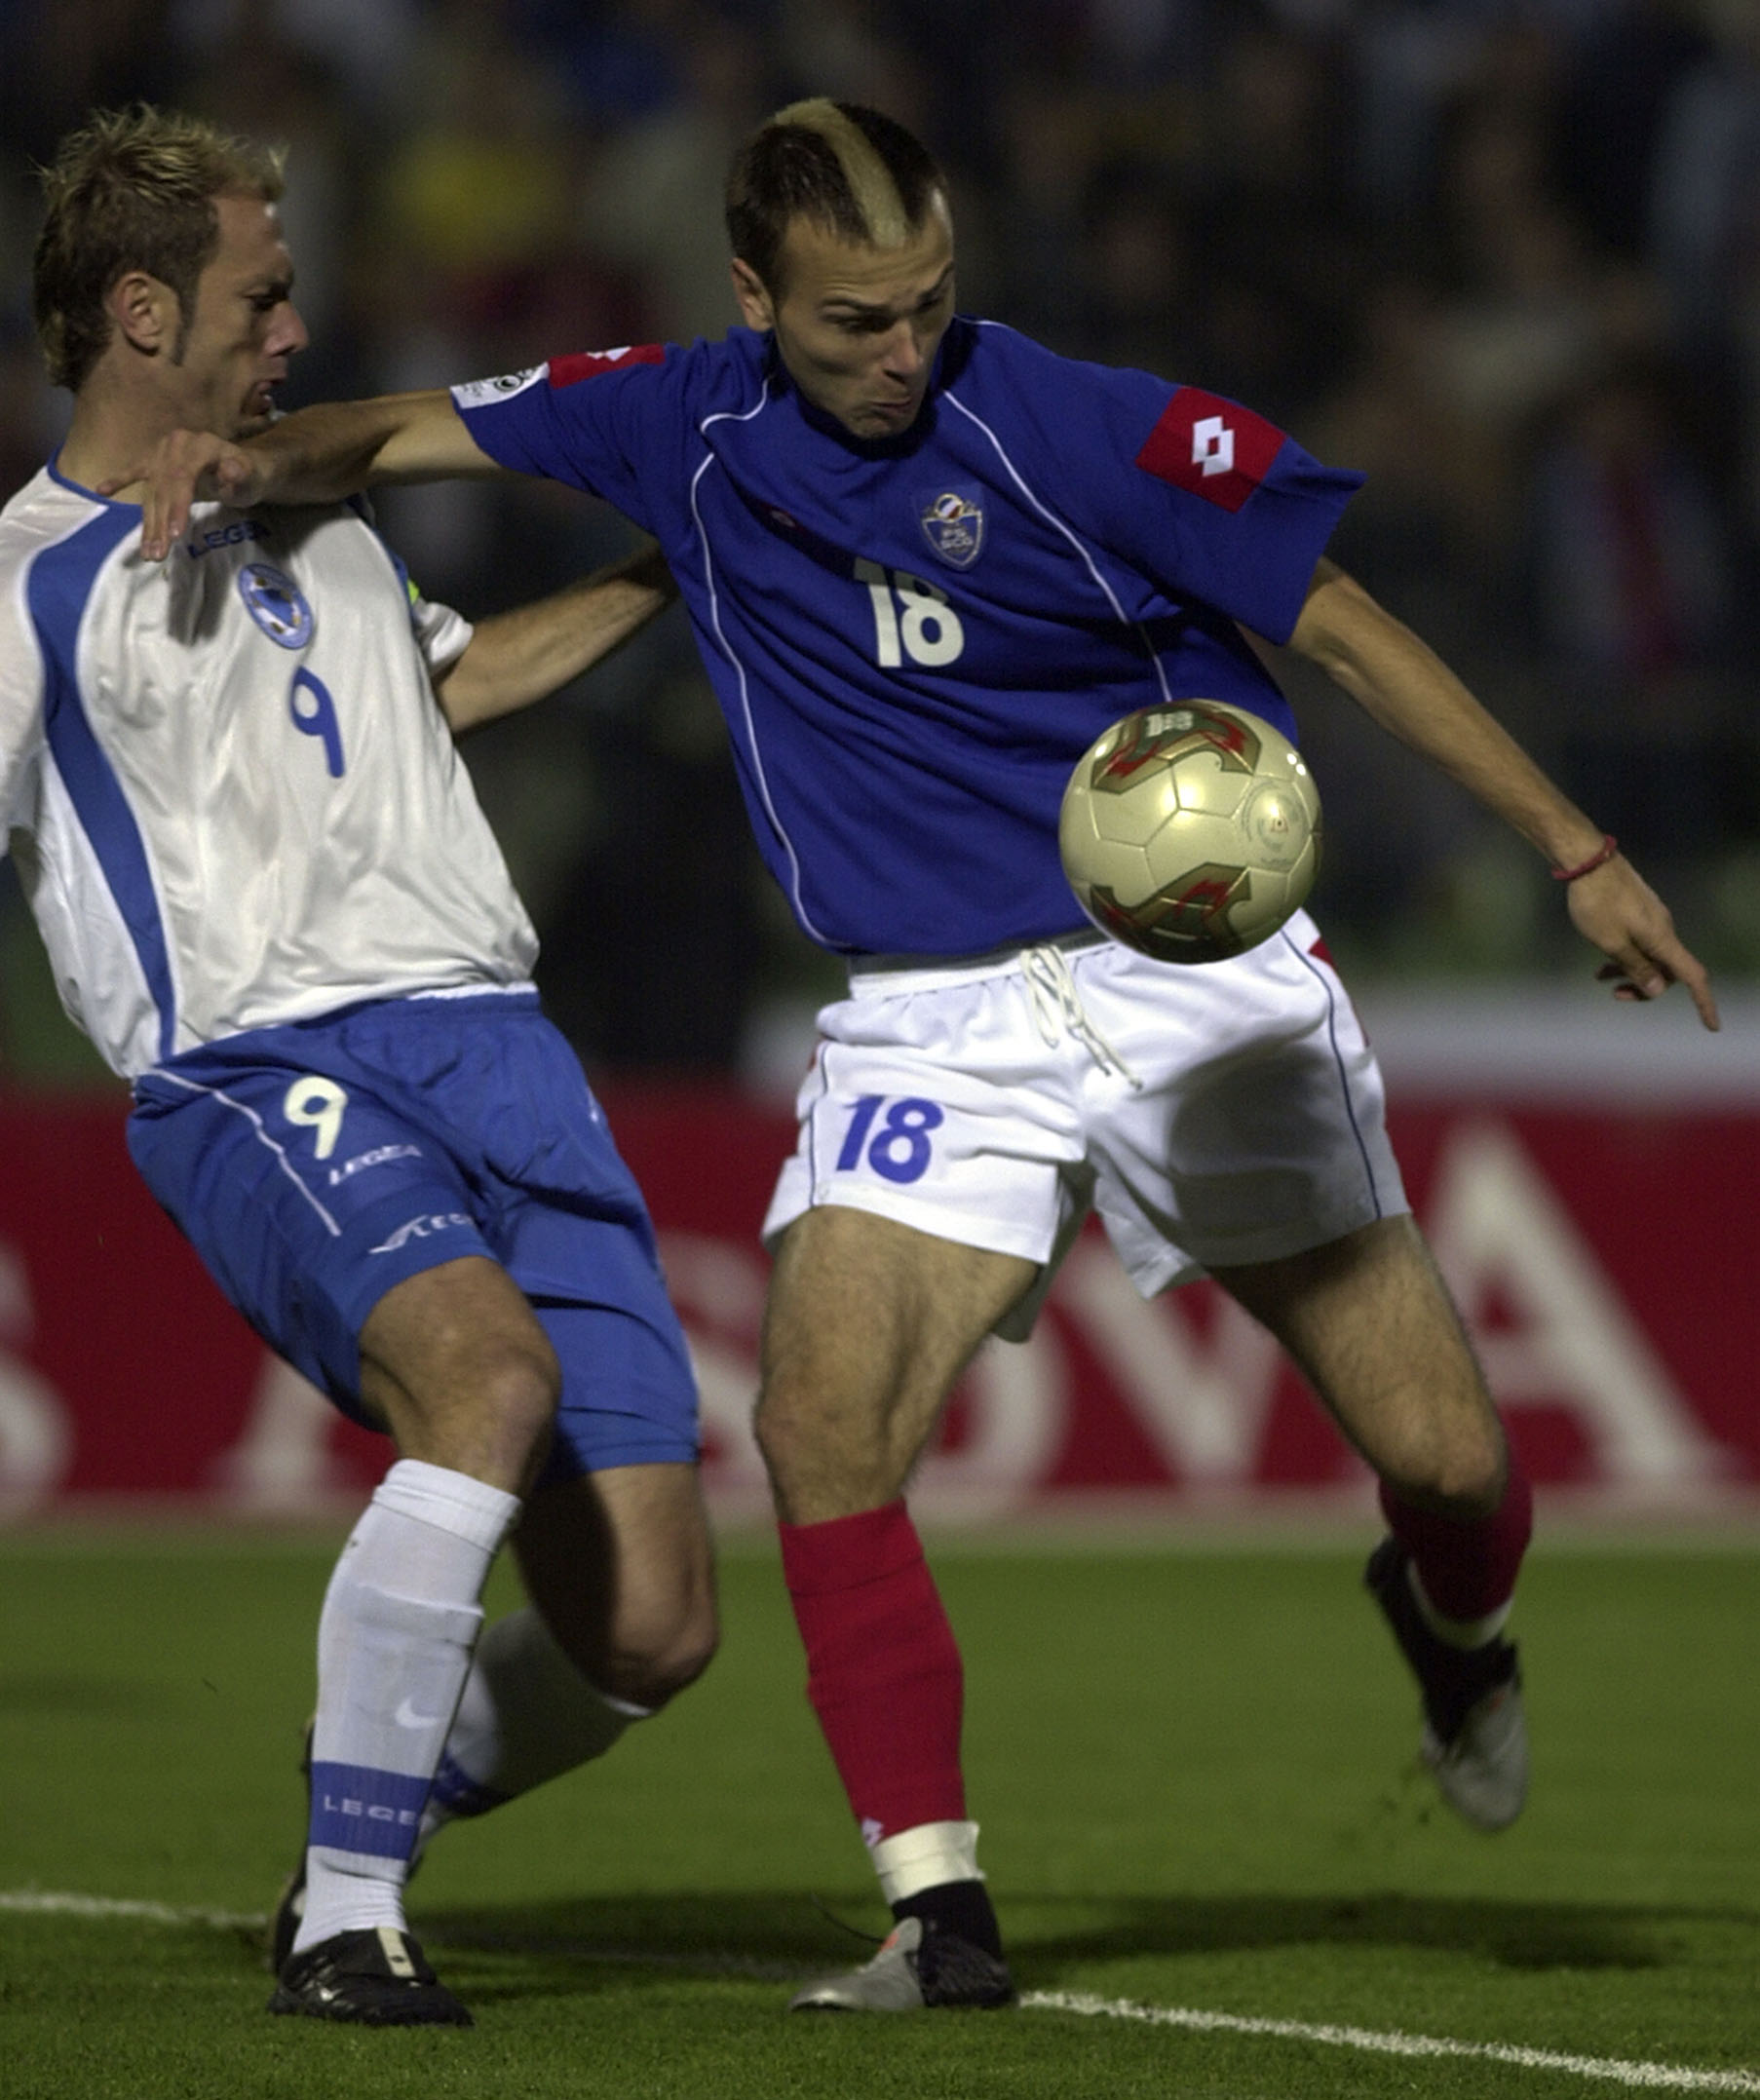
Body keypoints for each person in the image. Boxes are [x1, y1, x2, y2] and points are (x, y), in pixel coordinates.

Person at [129, 99, 1720, 2015]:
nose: (903, 353)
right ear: (751, 297)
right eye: (854, 321)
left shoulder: (1077, 426)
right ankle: (936, 1914)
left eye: (928, 305)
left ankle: (1455, 1628)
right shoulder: (671, 414)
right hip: (929, 1015)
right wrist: (231, 459)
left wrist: (1576, 851)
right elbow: (390, 432)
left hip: (1188, 978)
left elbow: (1348, 627)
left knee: (1448, 1462)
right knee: (822, 1426)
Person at [3, 106, 719, 2028]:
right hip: (261, 1066)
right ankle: (347, 1915)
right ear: (142, 312)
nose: (298, 328)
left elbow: (452, 681)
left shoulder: (320, 523)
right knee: (485, 1383)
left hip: (499, 1050)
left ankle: (369, 1773)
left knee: (652, 1626)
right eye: (263, 294)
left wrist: (677, 567)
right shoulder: (28, 582)